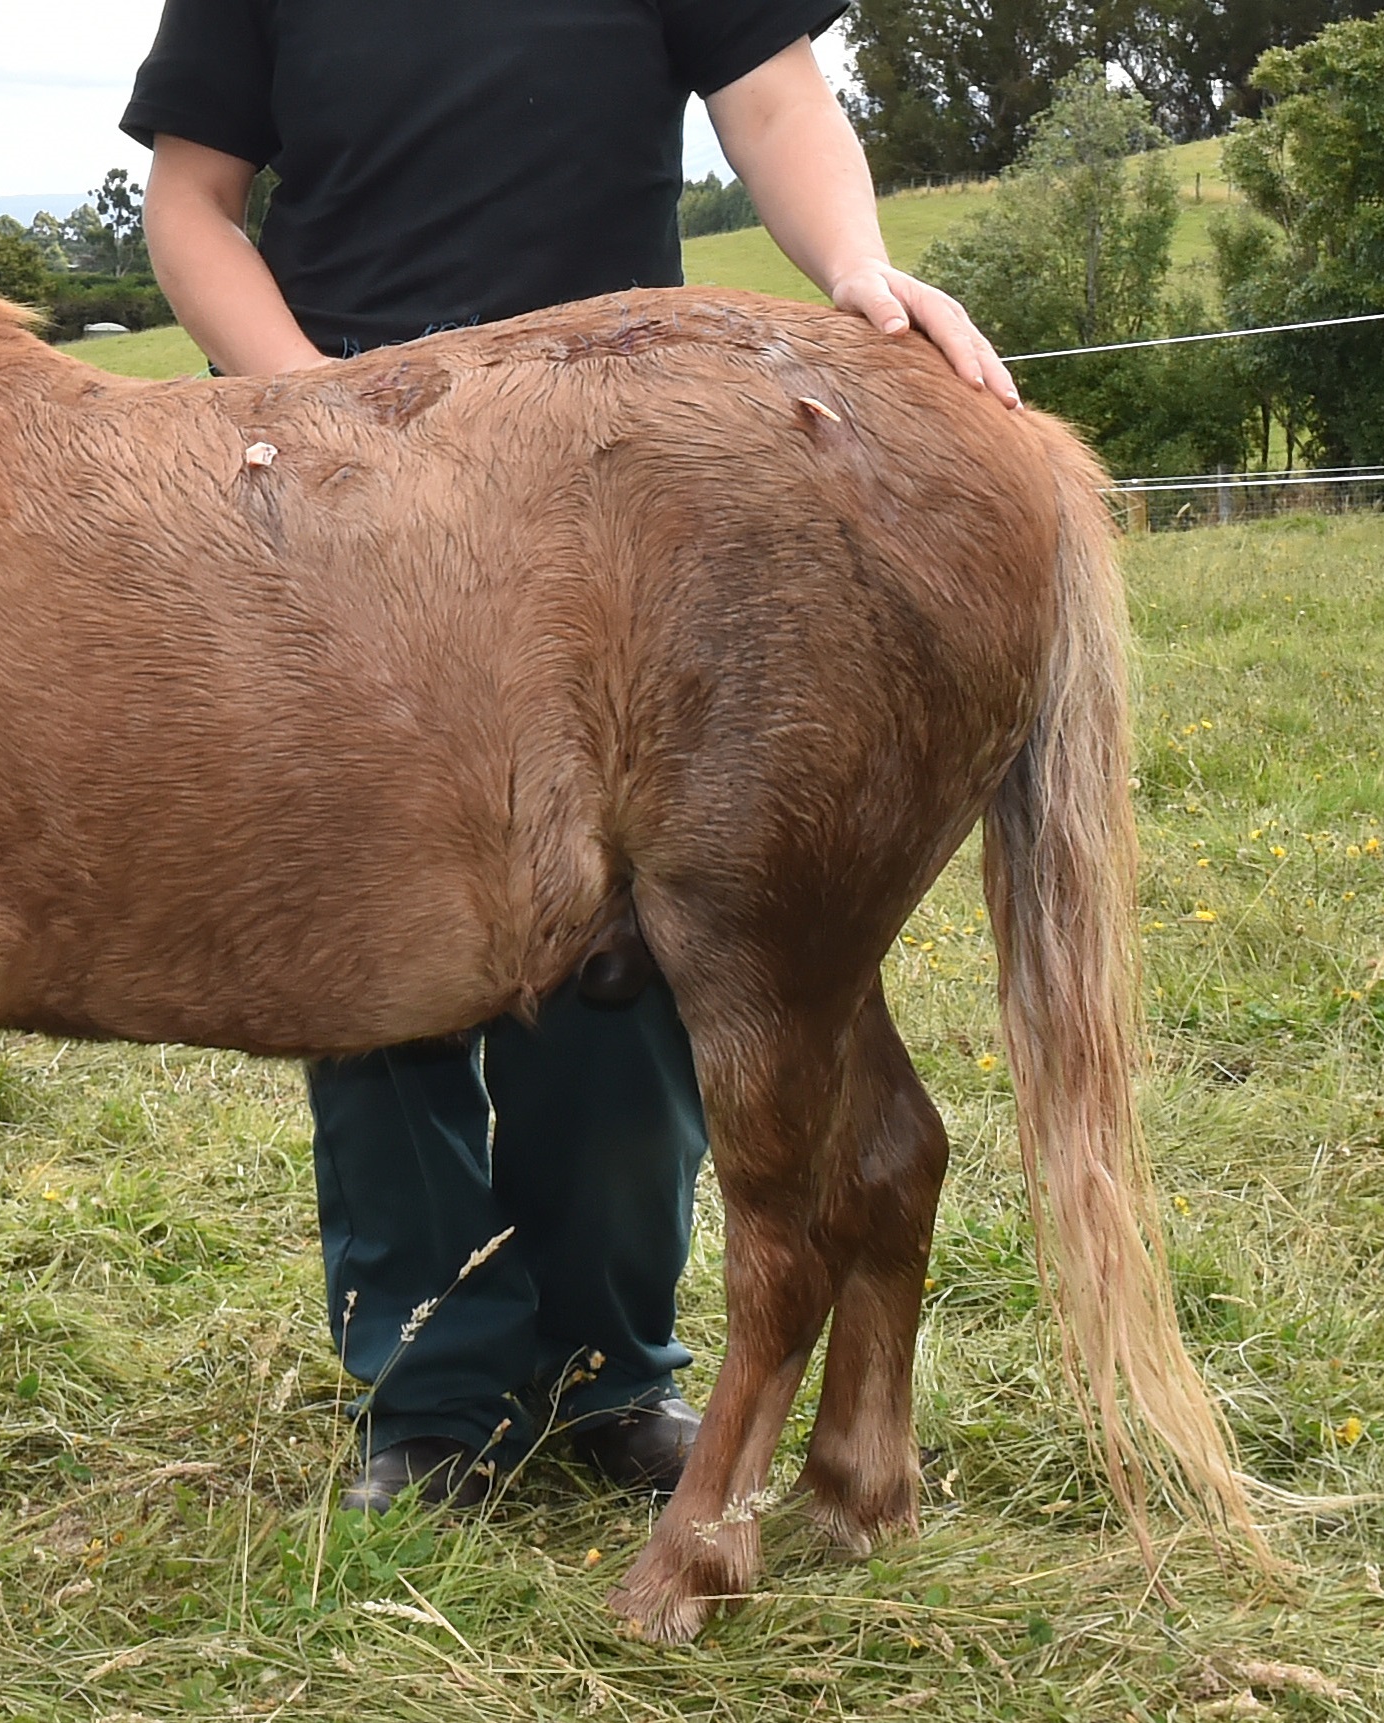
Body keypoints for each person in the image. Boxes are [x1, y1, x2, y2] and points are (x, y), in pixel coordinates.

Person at [121, 1, 1015, 1512]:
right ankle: (433, 1401)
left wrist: (857, 267)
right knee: (371, 953)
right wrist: (318, 407)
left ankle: (612, 1373)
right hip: (347, 501)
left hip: (614, 505)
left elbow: (778, 102)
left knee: (629, 951)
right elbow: (190, 201)